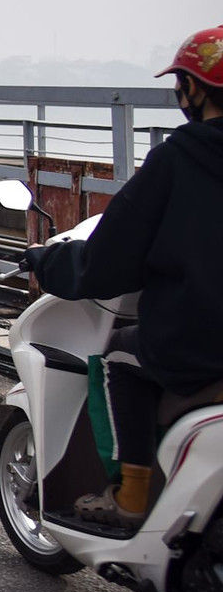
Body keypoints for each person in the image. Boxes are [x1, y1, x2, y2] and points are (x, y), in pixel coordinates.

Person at [25, 26, 223, 528]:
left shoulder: (180, 157)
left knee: (117, 357)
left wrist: (47, 263)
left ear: (194, 90)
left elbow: (110, 258)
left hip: (201, 340)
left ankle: (131, 497)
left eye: (181, 83)